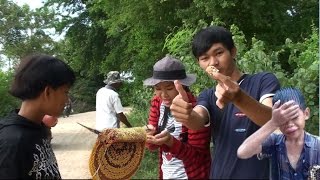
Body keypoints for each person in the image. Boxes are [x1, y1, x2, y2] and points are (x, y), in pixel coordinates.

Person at [170, 26, 280, 179]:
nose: (213, 63)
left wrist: (239, 98)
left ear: (233, 51)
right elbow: (198, 120)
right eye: (204, 58)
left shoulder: (263, 81)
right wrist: (186, 115)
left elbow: (273, 120)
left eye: (219, 53)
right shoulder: (208, 95)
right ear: (199, 63)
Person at [0, 54, 76, 179]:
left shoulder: (40, 128)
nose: (67, 100)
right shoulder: (12, 143)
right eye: (65, 92)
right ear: (48, 92)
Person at [143, 55, 211, 179]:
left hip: (191, 175)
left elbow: (197, 157)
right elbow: (152, 145)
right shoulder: (157, 103)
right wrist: (149, 136)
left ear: (182, 86)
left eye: (169, 88)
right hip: (167, 174)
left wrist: (170, 142)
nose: (163, 95)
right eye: (158, 89)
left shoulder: (196, 110)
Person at [237, 87, 320, 179]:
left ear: (306, 114)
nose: (290, 124)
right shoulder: (274, 141)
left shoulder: (317, 145)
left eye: (295, 117)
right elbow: (242, 152)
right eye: (283, 120)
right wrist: (273, 122)